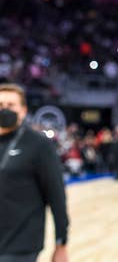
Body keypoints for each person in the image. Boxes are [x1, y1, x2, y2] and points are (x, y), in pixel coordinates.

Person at [0, 83, 69, 262]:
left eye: (10, 105)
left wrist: (61, 243)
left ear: (23, 111)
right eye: (0, 106)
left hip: (20, 246)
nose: (4, 110)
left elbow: (56, 196)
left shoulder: (39, 145)